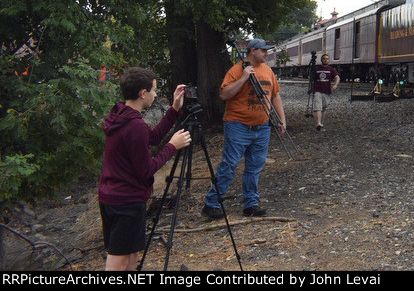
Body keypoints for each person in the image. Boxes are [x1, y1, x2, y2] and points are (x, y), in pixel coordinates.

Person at [98, 68, 192, 271]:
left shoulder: (121, 115)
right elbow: (145, 170)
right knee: (118, 259)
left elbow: (154, 138)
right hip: (126, 201)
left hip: (112, 196)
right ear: (143, 93)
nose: (156, 94)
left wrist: (174, 109)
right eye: (154, 90)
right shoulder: (134, 125)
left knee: (131, 256)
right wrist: (173, 147)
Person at [202, 39, 285, 219]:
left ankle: (251, 204)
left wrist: (281, 120)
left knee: (255, 167)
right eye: (263, 51)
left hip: (262, 127)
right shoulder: (236, 70)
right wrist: (244, 78)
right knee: (230, 165)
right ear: (252, 50)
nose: (267, 54)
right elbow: (224, 94)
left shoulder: (268, 71)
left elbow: (275, 96)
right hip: (237, 125)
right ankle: (212, 203)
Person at [313, 53, 341, 131]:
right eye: (324, 59)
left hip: (327, 91)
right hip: (317, 90)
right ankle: (318, 123)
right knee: (318, 107)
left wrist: (335, 85)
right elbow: (311, 77)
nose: (326, 60)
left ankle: (321, 123)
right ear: (321, 60)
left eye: (327, 59)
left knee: (323, 108)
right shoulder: (317, 69)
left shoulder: (331, 69)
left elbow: (337, 77)